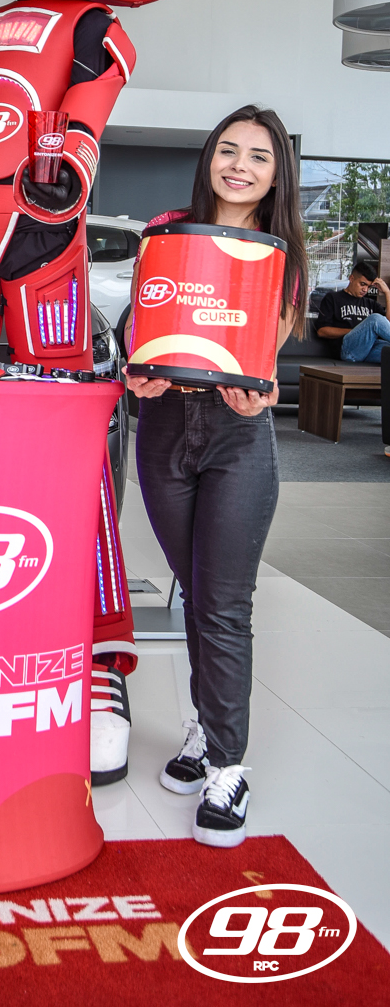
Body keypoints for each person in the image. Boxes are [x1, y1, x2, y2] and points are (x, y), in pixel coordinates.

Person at [126, 105, 307, 848]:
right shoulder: (168, 231)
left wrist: (255, 387)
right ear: (208, 158)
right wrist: (138, 371)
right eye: (228, 150)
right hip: (165, 428)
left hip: (238, 437)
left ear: (276, 175)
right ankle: (206, 726)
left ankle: (227, 767)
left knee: (223, 606)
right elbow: (144, 321)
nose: (239, 166)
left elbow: (263, 349)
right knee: (197, 593)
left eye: (258, 156)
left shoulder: (279, 256)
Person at [316, 260, 390, 364]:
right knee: (375, 319)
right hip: (348, 350)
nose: (365, 289)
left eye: (369, 286)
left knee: (387, 349)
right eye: (362, 284)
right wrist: (358, 331)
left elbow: (387, 325)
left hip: (367, 349)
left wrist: (387, 293)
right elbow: (322, 331)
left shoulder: (371, 304)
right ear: (351, 278)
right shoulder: (332, 298)